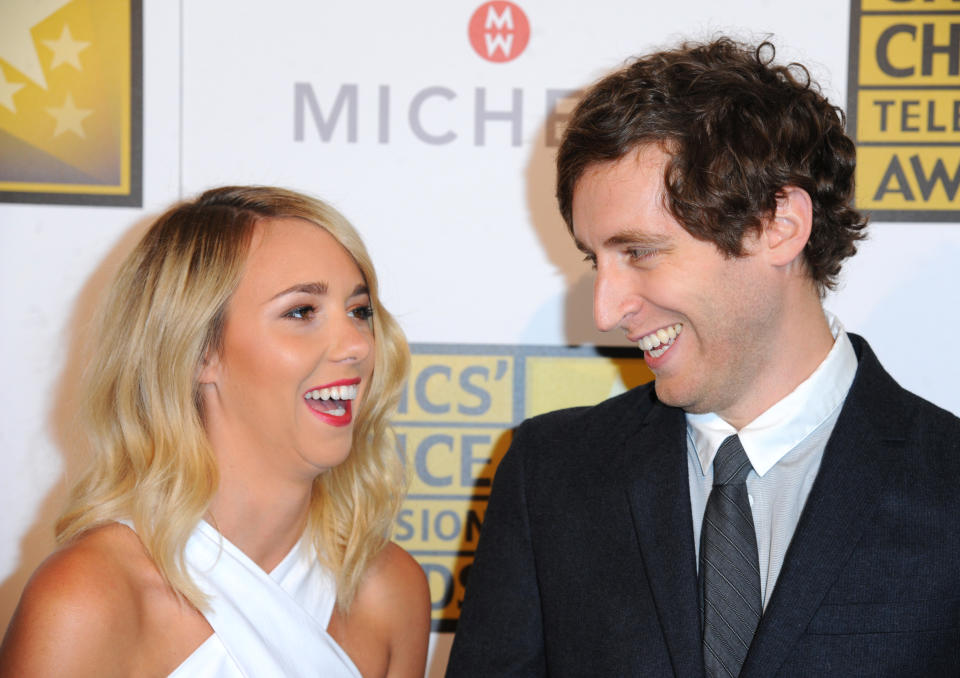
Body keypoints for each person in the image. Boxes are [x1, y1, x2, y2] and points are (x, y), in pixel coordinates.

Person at [447, 37, 960, 677]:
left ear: (778, 227)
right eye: (594, 260)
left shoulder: (947, 485)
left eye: (638, 252)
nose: (605, 312)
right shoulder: (549, 478)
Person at [0, 186, 430, 677]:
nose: (356, 344)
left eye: (360, 311)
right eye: (301, 312)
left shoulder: (389, 591)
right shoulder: (88, 598)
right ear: (199, 351)